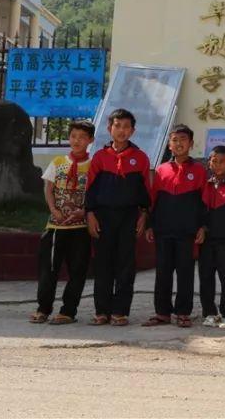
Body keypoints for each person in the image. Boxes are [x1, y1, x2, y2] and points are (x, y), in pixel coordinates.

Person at [85, 108, 150, 327]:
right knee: (103, 263)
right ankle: (102, 310)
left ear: (132, 131)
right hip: (103, 216)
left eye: (126, 127)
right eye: (117, 126)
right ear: (109, 128)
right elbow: (90, 190)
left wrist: (143, 215)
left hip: (129, 217)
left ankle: (120, 311)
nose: (121, 131)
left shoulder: (140, 158)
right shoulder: (100, 157)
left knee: (125, 263)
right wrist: (90, 214)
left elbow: (145, 192)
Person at [31, 120, 95, 326]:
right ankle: (43, 309)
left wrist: (83, 212)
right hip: (56, 227)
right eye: (74, 136)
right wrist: (53, 210)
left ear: (90, 140)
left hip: (80, 228)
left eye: (82, 137)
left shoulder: (94, 165)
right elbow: (48, 189)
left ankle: (68, 311)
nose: (77, 141)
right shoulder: (58, 162)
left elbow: (95, 194)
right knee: (48, 270)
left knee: (78, 271)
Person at [143, 124, 207, 328]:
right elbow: (154, 200)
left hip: (187, 231)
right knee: (163, 272)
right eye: (175, 140)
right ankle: (162, 312)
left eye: (183, 139)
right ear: (169, 144)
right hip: (163, 230)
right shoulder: (161, 170)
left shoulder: (198, 170)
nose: (179, 143)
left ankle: (183, 312)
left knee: (185, 272)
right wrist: (150, 225)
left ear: (191, 143)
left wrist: (202, 227)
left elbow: (204, 202)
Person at [199, 146, 225, 328]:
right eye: (213, 161)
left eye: (221, 161)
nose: (217, 165)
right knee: (206, 276)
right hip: (207, 239)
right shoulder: (205, 183)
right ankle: (209, 312)